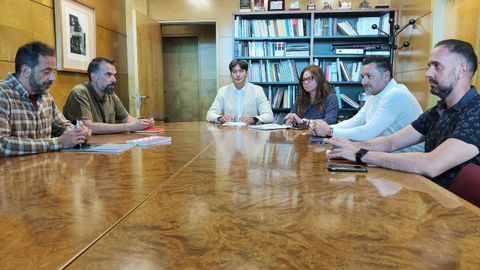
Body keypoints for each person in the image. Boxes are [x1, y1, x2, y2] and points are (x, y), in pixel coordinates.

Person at [326, 39, 480, 189]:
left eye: (437, 66)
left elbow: (432, 164)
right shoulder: (438, 110)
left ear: (461, 70)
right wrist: (346, 147)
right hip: (431, 195)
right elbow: (390, 142)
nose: (428, 73)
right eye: (429, 66)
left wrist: (360, 154)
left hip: (459, 210)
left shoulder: (477, 111)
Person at [310, 56, 423, 152]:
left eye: (369, 76)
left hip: (406, 158)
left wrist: (329, 131)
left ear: (386, 76)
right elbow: (355, 122)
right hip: (387, 152)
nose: (363, 82)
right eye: (363, 77)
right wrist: (325, 128)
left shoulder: (396, 94)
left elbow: (368, 133)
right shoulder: (375, 94)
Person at [0, 41, 90, 157]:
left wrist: (78, 133)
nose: (53, 78)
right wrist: (58, 142)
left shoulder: (46, 96)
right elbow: (2, 144)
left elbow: (62, 126)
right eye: (47, 72)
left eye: (53, 72)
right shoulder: (3, 94)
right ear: (25, 70)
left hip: (45, 170)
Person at [63, 57, 153, 134]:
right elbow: (88, 126)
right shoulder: (79, 93)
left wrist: (144, 123)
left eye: (114, 75)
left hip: (106, 145)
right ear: (94, 77)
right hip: (83, 149)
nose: (114, 80)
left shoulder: (110, 94)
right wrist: (129, 127)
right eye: (109, 75)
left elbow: (127, 119)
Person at [206, 59, 273, 124]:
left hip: (250, 133)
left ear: (246, 73)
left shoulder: (257, 90)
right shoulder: (222, 91)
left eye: (241, 71)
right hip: (229, 132)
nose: (238, 74)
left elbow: (269, 115)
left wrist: (254, 119)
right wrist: (220, 118)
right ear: (231, 75)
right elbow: (210, 114)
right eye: (234, 72)